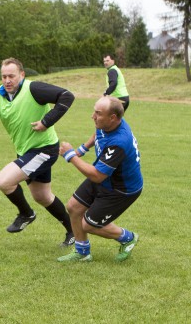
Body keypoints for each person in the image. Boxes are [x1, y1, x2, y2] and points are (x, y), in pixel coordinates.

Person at [0, 57, 75, 246]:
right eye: (4, 76)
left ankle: (26, 214)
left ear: (22, 75)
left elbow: (67, 96)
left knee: (4, 181)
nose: (7, 80)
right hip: (26, 152)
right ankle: (73, 231)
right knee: (42, 196)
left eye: (11, 76)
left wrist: (46, 121)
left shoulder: (33, 89)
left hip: (44, 150)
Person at [57, 96, 143, 262]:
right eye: (94, 111)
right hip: (106, 178)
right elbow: (98, 132)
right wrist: (82, 149)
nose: (93, 116)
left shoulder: (119, 142)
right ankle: (82, 253)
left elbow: (97, 175)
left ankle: (128, 238)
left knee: (88, 225)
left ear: (113, 118)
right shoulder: (107, 123)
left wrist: (70, 155)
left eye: (98, 113)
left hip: (121, 189)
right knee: (74, 207)